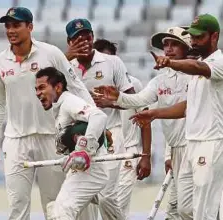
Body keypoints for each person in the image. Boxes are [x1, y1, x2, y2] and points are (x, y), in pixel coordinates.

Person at [0, 7, 95, 220]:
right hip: (16, 141)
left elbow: (76, 86)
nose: (11, 30)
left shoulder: (51, 53)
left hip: (51, 139)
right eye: (7, 26)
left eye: (16, 25)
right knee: (17, 206)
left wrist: (96, 120)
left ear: (30, 27)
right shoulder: (0, 61)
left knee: (53, 205)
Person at [128, 14, 223, 220]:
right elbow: (187, 108)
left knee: (204, 209)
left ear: (214, 36)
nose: (194, 41)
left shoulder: (221, 63)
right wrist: (154, 113)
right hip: (193, 142)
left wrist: (170, 63)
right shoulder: (195, 70)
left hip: (213, 142)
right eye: (192, 37)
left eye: (199, 37)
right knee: (186, 209)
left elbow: (197, 67)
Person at [93, 27, 192, 220]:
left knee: (189, 208)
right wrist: (117, 98)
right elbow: (138, 100)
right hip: (177, 149)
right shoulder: (160, 81)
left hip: (198, 147)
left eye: (174, 44)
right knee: (175, 210)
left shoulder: (198, 75)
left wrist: (146, 154)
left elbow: (187, 109)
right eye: (166, 45)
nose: (168, 49)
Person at [64, 18, 137, 219]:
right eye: (77, 39)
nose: (84, 42)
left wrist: (112, 101)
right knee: (84, 200)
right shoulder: (66, 67)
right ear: (69, 42)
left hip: (111, 134)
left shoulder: (112, 62)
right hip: (80, 137)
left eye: (87, 37)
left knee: (106, 196)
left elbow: (133, 100)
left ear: (93, 37)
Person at [34, 67, 109, 220]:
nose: (37, 93)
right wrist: (70, 155)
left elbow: (99, 116)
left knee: (61, 214)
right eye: (36, 89)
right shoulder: (60, 107)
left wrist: (84, 150)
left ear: (58, 87)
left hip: (91, 170)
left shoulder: (69, 101)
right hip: (82, 170)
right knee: (54, 210)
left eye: (42, 87)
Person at [93, 38, 153, 219]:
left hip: (129, 151)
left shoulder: (133, 84)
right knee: (105, 202)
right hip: (104, 151)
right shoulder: (92, 86)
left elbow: (146, 120)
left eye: (110, 59)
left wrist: (146, 156)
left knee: (116, 202)